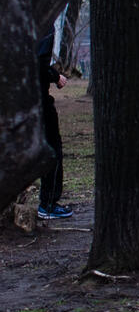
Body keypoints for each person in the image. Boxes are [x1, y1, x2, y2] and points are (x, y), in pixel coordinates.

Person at [36, 33, 71, 220]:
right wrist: (55, 76)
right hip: (38, 100)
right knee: (52, 148)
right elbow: (38, 65)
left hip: (19, 99)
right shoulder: (44, 28)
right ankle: (48, 203)